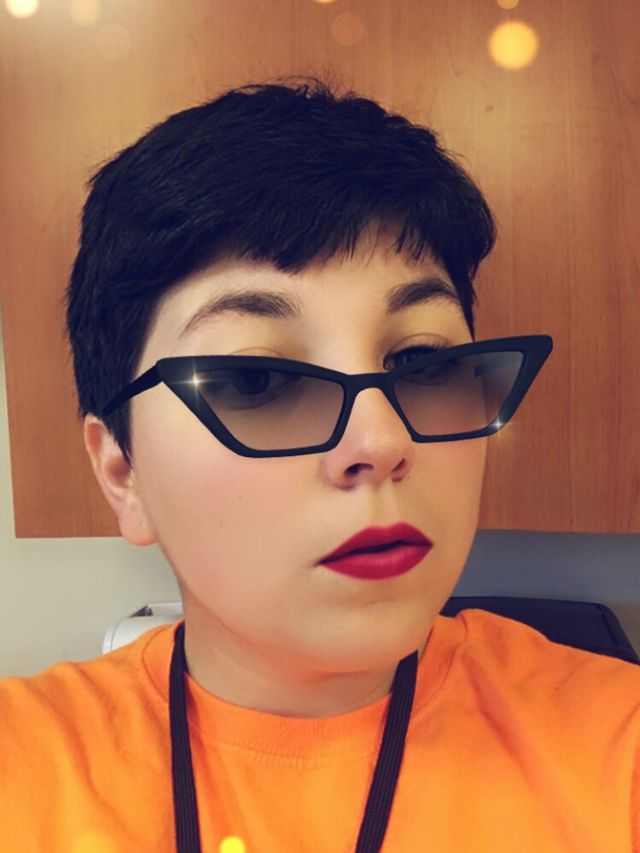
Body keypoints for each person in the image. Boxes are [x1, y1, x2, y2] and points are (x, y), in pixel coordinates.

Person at [1, 74, 637, 852]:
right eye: (258, 380)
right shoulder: (24, 769)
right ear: (122, 473)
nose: (380, 442)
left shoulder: (616, 749)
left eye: (422, 362)